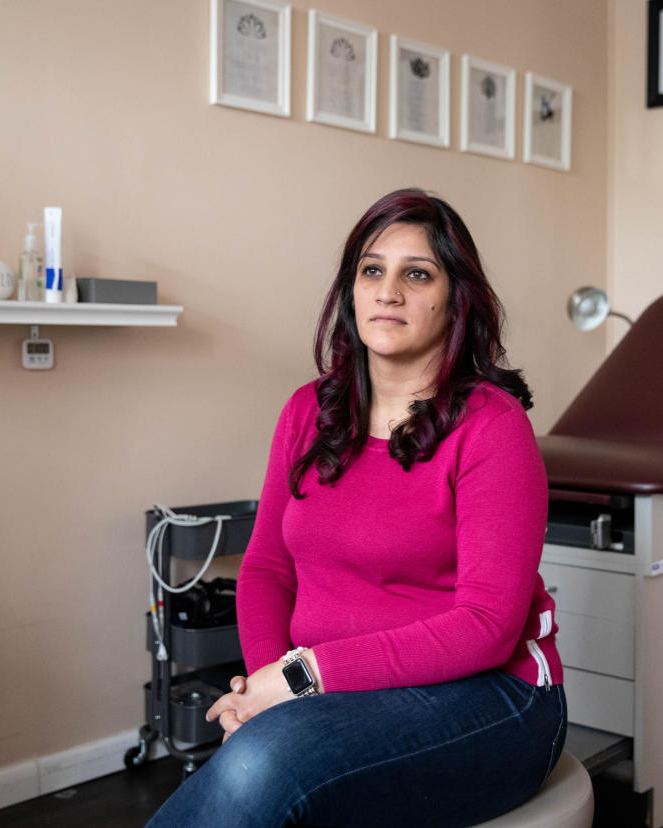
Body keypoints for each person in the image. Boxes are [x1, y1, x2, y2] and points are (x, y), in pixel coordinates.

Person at [147, 188, 564, 827]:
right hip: (334, 695)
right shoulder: (307, 411)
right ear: (350, 291)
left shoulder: (491, 427)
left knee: (265, 767)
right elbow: (266, 568)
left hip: (489, 697)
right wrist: (268, 688)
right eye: (372, 270)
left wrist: (302, 679)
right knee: (262, 757)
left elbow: (488, 624)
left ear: (456, 300)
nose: (388, 291)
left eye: (416, 273)